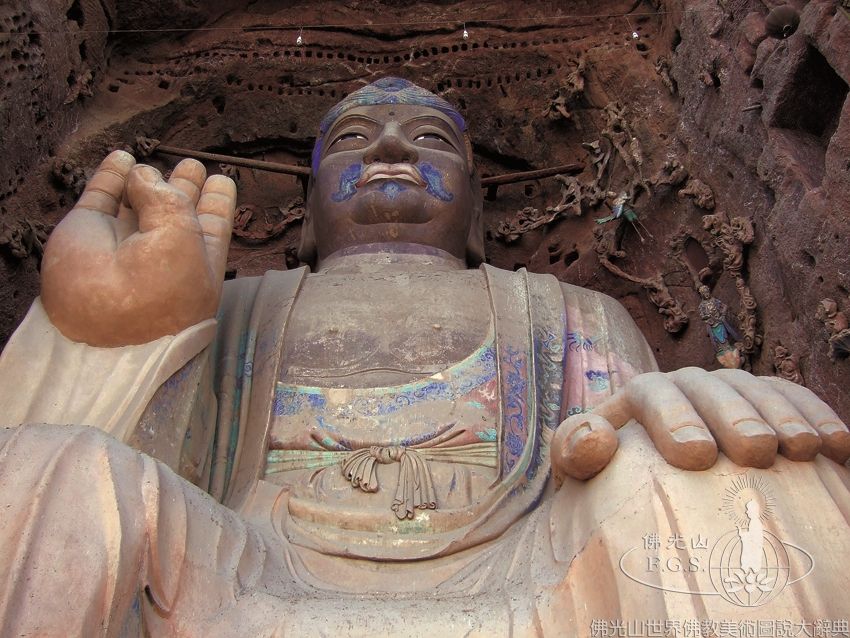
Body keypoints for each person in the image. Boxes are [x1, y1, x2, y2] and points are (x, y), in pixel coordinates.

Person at [0, 78, 848, 636]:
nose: (390, 152)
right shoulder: (233, 305)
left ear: (479, 212)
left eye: (431, 140)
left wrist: (699, 413)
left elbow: (617, 458)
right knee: (46, 465)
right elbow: (142, 480)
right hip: (238, 577)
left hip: (529, 582)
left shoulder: (567, 308)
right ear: (303, 218)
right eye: (354, 139)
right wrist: (118, 336)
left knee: (726, 476)